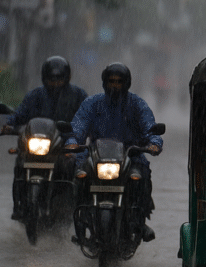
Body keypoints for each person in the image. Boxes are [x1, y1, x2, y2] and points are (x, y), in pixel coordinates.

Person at [69, 63, 163, 240]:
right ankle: (81, 219)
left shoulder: (137, 104)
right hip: (96, 156)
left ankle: (139, 220)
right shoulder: (92, 103)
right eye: (111, 81)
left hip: (130, 156)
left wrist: (154, 143)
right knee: (80, 176)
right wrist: (73, 141)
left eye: (119, 82)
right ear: (105, 82)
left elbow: (149, 127)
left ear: (126, 84)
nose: (115, 85)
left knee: (141, 176)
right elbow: (78, 126)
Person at [1, 56, 88, 220]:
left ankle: (78, 209)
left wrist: (86, 130)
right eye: (51, 78)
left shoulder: (78, 95)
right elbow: (20, 114)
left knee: (76, 165)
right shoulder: (35, 95)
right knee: (20, 161)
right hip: (40, 142)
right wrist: (10, 125)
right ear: (44, 77)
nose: (55, 82)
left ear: (67, 77)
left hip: (65, 141)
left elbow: (88, 116)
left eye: (59, 78)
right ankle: (18, 205)